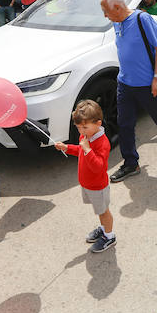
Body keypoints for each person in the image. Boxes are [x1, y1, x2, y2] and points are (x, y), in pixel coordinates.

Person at [100, 0, 157, 182]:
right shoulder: (116, 22)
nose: (105, 16)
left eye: (106, 11)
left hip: (146, 83)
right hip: (124, 82)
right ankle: (131, 163)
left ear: (117, 8)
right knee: (124, 123)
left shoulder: (142, 19)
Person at [54, 100, 116, 253]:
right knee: (99, 211)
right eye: (78, 127)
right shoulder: (86, 137)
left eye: (85, 127)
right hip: (87, 184)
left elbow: (98, 167)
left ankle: (109, 236)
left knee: (103, 211)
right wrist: (67, 148)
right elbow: (80, 151)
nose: (81, 131)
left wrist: (88, 150)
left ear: (98, 123)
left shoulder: (102, 143)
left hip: (98, 186)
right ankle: (103, 229)